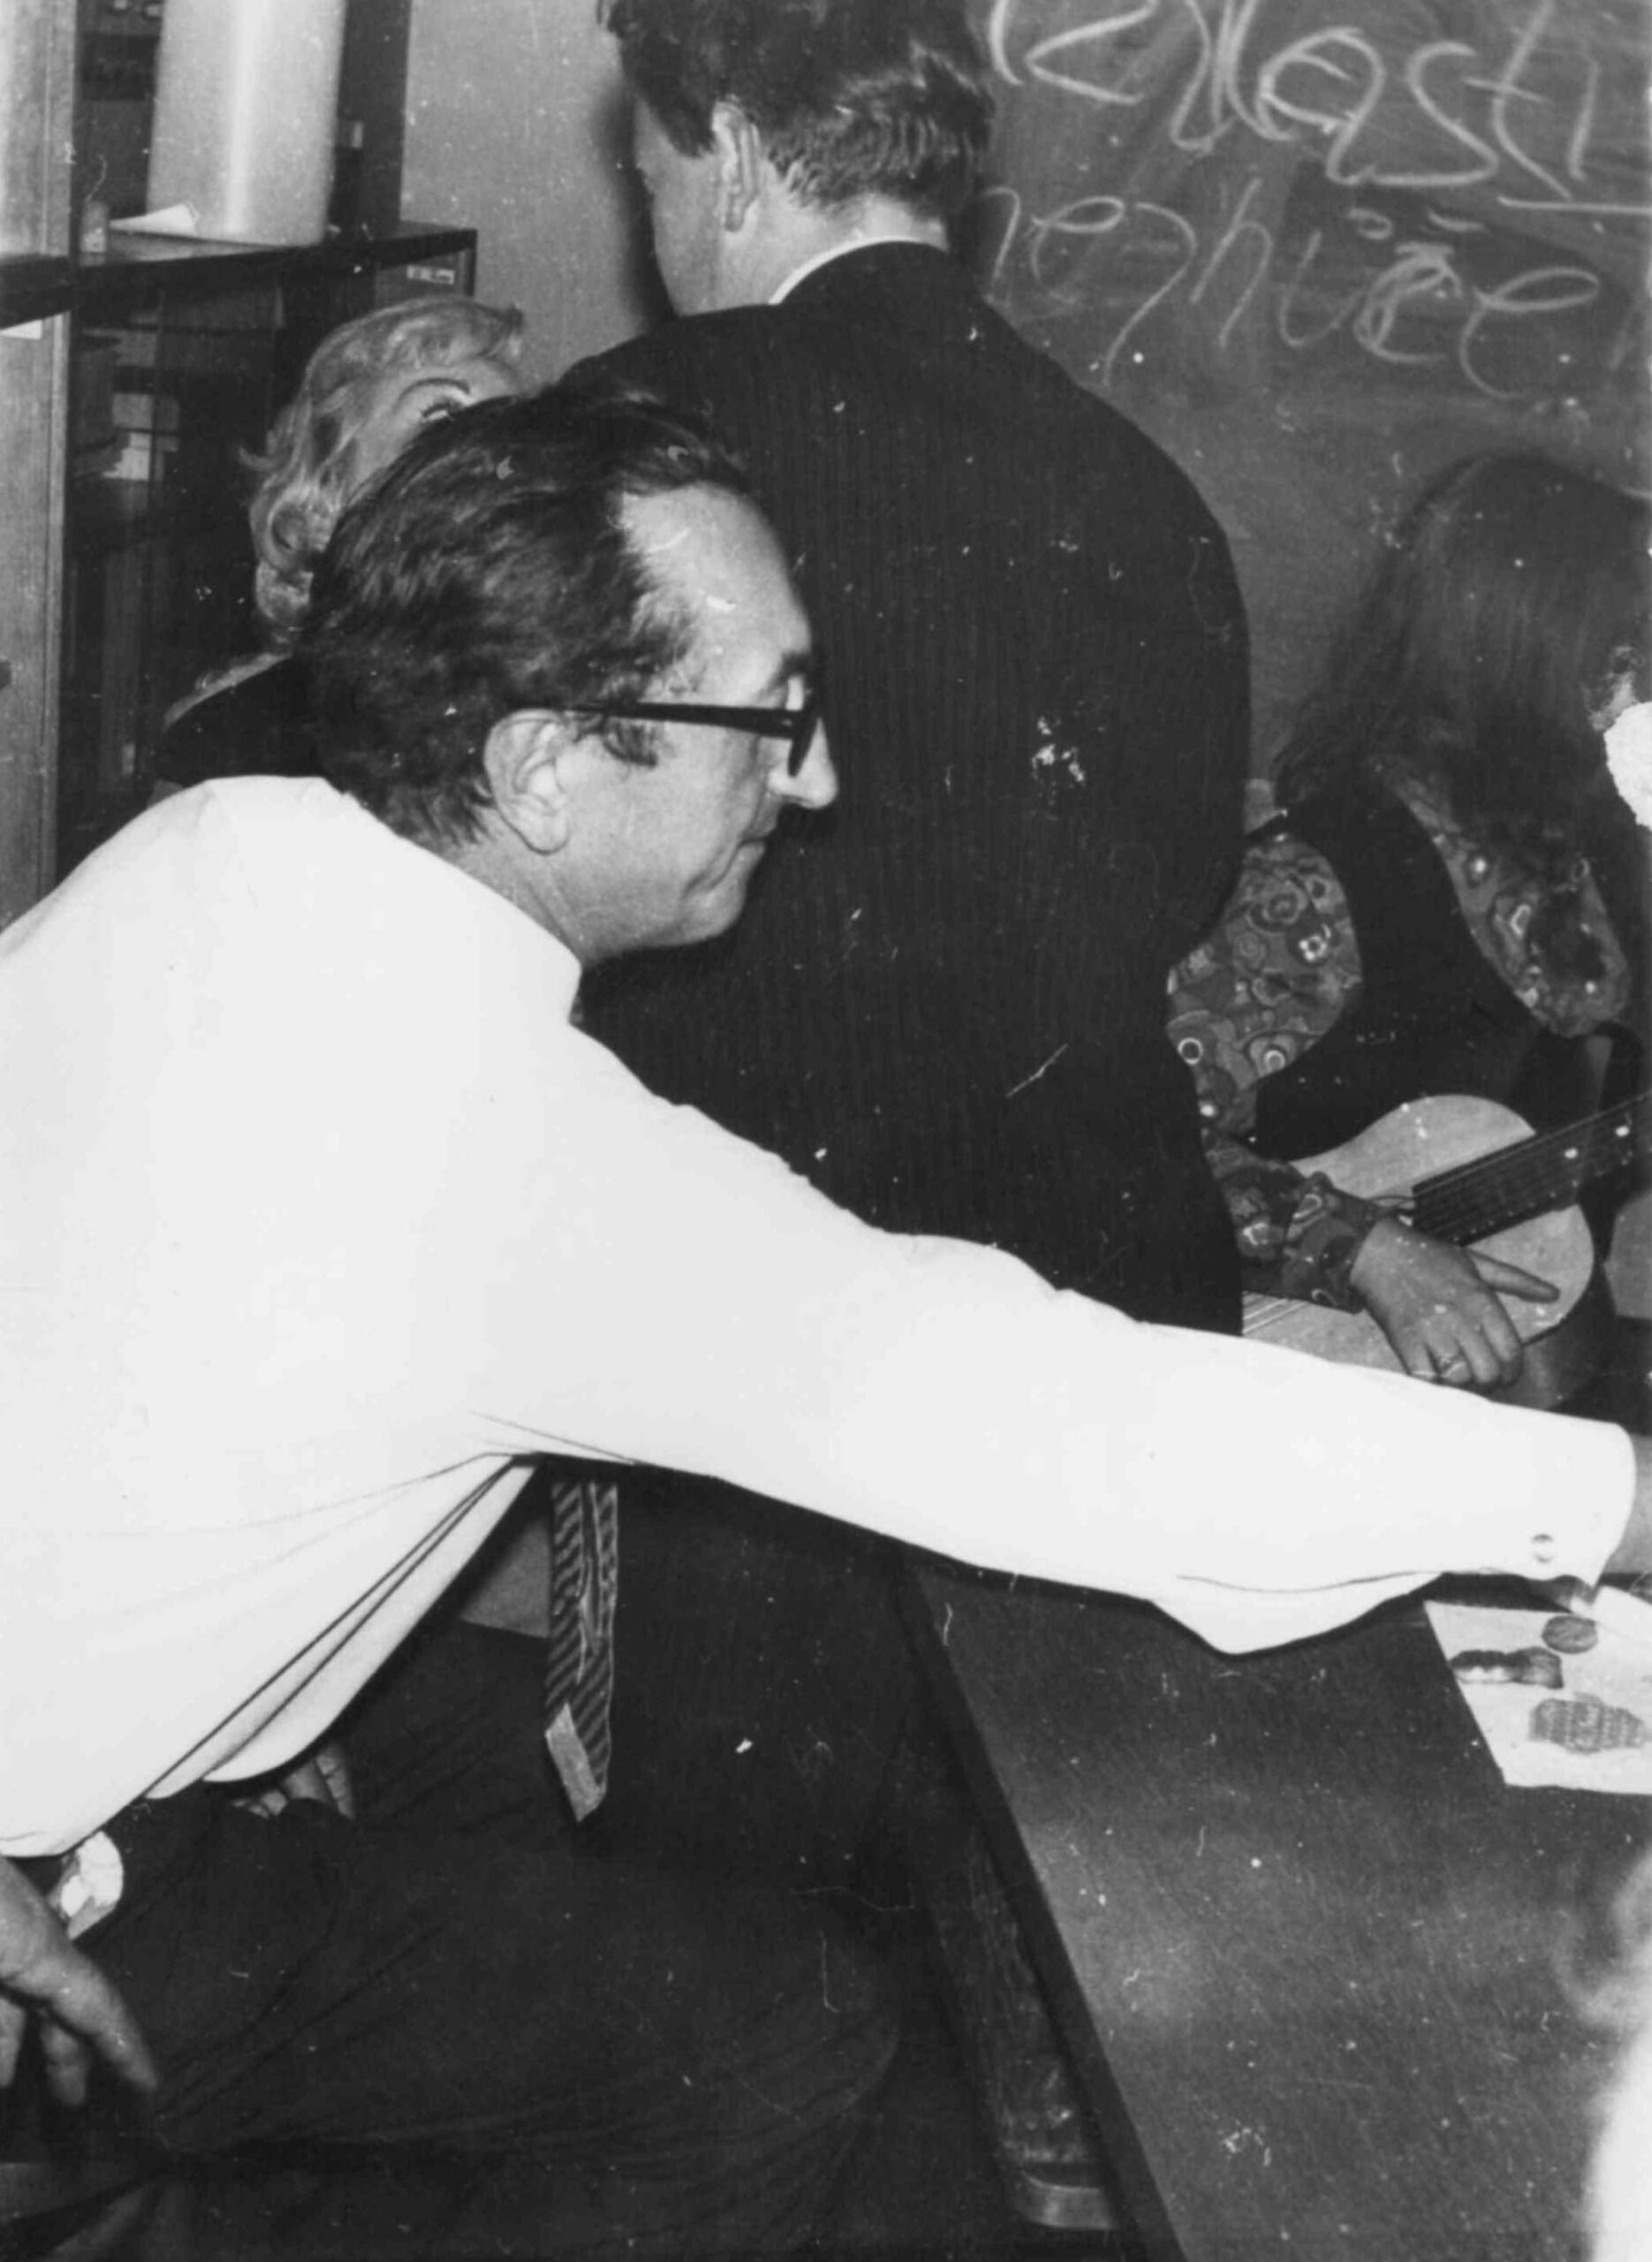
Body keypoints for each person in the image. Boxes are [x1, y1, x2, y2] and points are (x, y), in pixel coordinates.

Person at [3, 380, 1647, 2258]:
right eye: (769, 716)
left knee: (561, 1767)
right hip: (69, 1875)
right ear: (545, 766)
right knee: (780, 2032)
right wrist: (1603, 1497)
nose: (817, 782)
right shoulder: (511, 1149)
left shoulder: (214, 844)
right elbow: (1064, 1423)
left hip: (89, 1763)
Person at [561, 0, 1252, 1883]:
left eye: (652, 172)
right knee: (1051, 1915)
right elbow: (1173, 886)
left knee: (737, 1937)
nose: (655, 220)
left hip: (755, 1341)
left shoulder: (626, 446)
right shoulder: (1135, 481)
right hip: (1101, 1298)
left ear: (735, 155)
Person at [1169, 452, 1651, 1393]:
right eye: (1623, 650)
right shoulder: (1310, 882)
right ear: (1535, 655)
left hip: (1528, 1385)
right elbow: (1115, 1134)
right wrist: (1364, 1249)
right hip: (1276, 1390)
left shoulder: (1591, 852)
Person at [151, 292, 525, 791]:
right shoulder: (233, 741)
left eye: (512, 428)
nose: (488, 449)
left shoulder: (575, 701)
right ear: (326, 493)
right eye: (440, 415)